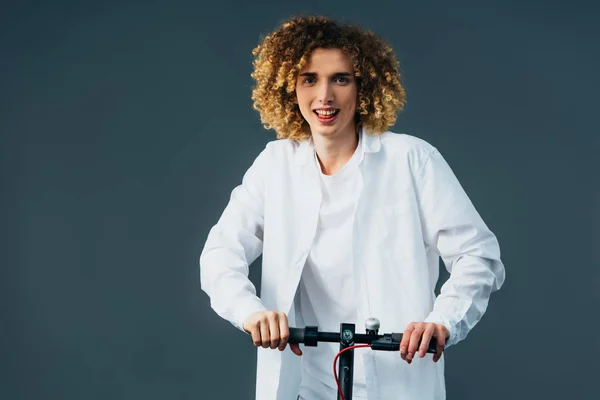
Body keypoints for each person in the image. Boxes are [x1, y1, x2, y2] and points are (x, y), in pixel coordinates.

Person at [200, 15, 505, 400]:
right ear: (288, 87)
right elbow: (220, 254)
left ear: (364, 87)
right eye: (309, 78)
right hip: (306, 384)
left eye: (340, 79)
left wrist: (441, 322)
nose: (324, 96)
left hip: (398, 377)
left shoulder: (412, 160)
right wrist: (252, 312)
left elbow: (478, 255)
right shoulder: (275, 165)